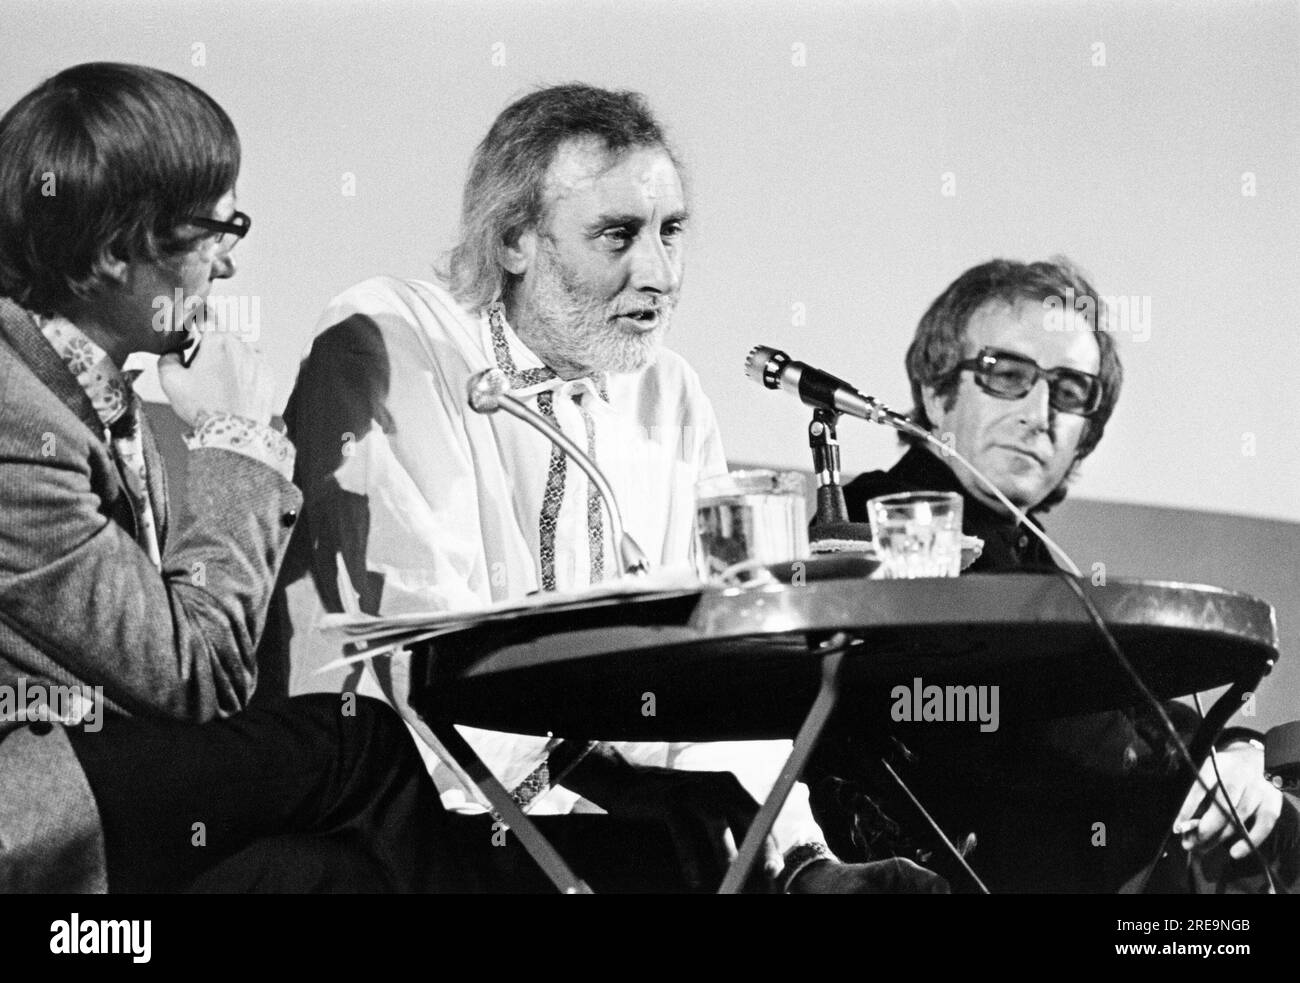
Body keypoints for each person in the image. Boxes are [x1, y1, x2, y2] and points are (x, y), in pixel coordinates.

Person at [271, 82, 945, 893]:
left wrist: (800, 858)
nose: (657, 272)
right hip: (398, 818)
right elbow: (424, 650)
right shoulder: (389, 340)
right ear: (515, 239)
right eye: (618, 235)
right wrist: (615, 787)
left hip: (609, 836)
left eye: (671, 232)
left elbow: (707, 670)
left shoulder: (669, 394)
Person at [0, 62, 459, 893]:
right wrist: (236, 438)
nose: (228, 265)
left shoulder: (79, 393)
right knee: (358, 739)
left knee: (323, 875)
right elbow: (194, 678)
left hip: (90, 782)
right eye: (218, 229)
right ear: (114, 252)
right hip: (32, 806)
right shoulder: (14, 416)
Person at [819, 256, 1300, 892]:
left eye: (1070, 390)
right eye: (1007, 374)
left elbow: (1129, 720)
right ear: (938, 394)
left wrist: (1236, 752)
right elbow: (1050, 733)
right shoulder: (881, 531)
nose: (1039, 412)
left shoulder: (1038, 558)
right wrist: (1211, 765)